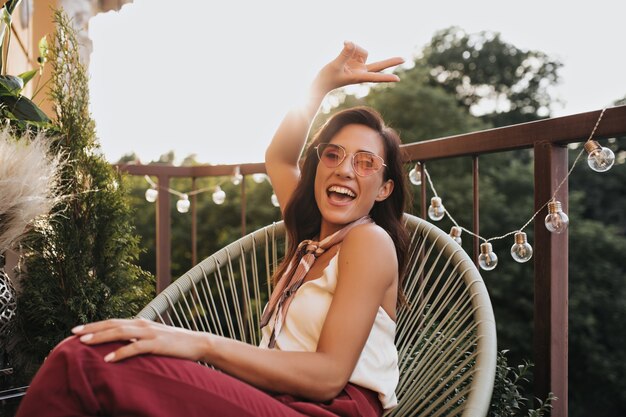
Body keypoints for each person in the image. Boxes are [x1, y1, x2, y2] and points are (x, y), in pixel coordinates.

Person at [15, 41, 409, 417]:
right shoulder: (313, 237)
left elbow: (327, 377)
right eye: (333, 155)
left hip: (326, 409)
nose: (343, 168)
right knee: (94, 358)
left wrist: (198, 343)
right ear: (318, 165)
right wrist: (320, 84)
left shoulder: (368, 241)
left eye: (365, 162)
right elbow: (278, 157)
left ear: (384, 188)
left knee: (84, 361)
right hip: (274, 400)